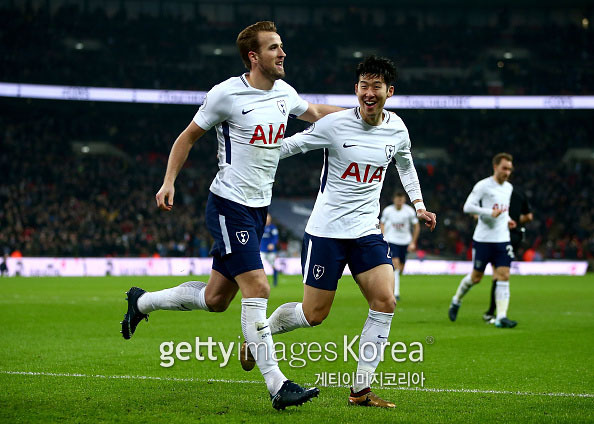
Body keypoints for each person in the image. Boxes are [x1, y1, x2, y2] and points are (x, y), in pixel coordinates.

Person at [119, 21, 342, 410]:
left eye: (281, 46)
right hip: (228, 205)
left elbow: (317, 112)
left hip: (258, 209)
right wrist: (168, 181)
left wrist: (360, 114)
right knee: (258, 287)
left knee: (216, 298)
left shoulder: (284, 93)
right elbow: (188, 136)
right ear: (254, 56)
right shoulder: (226, 94)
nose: (282, 53)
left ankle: (141, 303)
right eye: (274, 47)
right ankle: (278, 385)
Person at [240, 56, 436, 408]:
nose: (369, 92)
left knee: (385, 301)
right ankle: (260, 333)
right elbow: (293, 145)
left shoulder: (398, 129)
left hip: (366, 230)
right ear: (356, 89)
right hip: (326, 232)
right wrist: (256, 151)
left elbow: (405, 164)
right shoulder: (336, 124)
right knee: (314, 315)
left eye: (376, 86)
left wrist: (418, 204)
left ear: (389, 92)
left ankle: (360, 391)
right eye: (363, 85)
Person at [448, 152, 517, 328]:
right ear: (495, 167)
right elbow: (467, 207)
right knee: (476, 277)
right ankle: (457, 299)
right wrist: (488, 212)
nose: (507, 172)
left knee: (504, 275)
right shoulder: (483, 186)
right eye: (504, 168)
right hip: (483, 239)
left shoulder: (508, 188)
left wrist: (507, 220)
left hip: (502, 239)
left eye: (509, 169)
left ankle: (501, 317)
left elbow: (504, 209)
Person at [483, 188, 533, 323]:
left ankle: (493, 313)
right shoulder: (520, 193)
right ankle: (498, 314)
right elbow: (529, 216)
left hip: (497, 234)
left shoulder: (492, 192)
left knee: (498, 273)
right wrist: (516, 219)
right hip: (515, 235)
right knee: (503, 273)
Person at [380, 191, 420, 300]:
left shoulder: (409, 211)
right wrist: (383, 237)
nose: (399, 201)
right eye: (397, 199)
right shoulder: (388, 211)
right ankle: (395, 293)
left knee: (401, 268)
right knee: (396, 265)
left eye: (401, 199)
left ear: (404, 200)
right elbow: (382, 224)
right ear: (394, 199)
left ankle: (393, 283)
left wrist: (413, 242)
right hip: (392, 240)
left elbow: (416, 226)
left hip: (405, 242)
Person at [260, 213, 280, 287]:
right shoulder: (261, 227)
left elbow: (275, 238)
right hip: (262, 250)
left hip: (271, 251)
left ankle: (275, 281)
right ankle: (261, 281)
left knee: (273, 265)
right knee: (259, 266)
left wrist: (272, 244)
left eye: (269, 219)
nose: (267, 220)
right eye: (266, 218)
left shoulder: (273, 228)